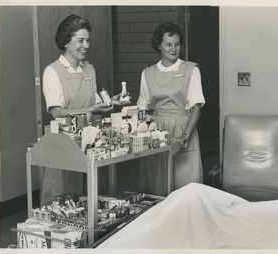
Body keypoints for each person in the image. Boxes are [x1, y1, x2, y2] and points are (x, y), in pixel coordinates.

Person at [41, 14, 125, 205]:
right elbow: (56, 112)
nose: (86, 45)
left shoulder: (89, 69)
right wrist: (89, 109)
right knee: (63, 201)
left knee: (90, 201)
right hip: (64, 145)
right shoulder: (52, 71)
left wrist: (110, 102)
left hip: (90, 143)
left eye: (88, 40)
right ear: (65, 42)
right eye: (80, 40)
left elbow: (95, 105)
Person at [137, 22, 205, 196]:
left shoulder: (191, 70)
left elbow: (196, 108)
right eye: (168, 44)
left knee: (186, 188)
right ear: (159, 45)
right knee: (155, 188)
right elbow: (143, 109)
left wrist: (185, 135)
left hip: (183, 129)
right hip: (156, 132)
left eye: (177, 44)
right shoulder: (147, 73)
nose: (174, 49)